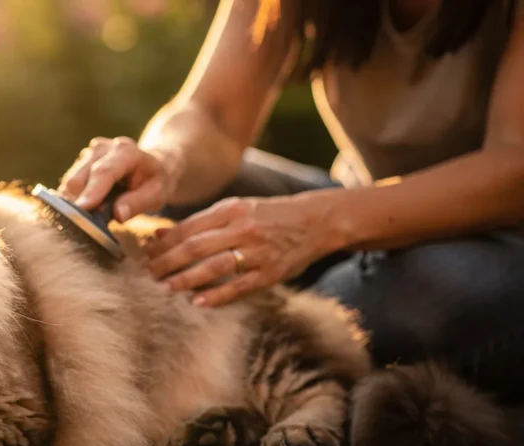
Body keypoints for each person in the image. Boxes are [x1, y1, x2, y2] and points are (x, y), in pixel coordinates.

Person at [58, 0, 524, 398]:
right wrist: (163, 161)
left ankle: (262, 351)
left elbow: (514, 167)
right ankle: (281, 344)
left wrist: (316, 224)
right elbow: (214, 113)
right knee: (173, 211)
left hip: (498, 243)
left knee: (436, 298)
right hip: (355, 212)